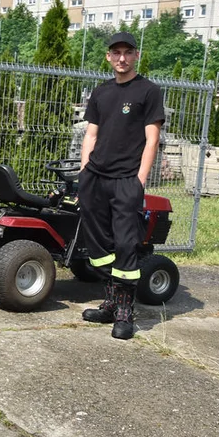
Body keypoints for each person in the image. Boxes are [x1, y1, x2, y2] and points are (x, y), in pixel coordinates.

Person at [78, 32, 165, 340]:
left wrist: (139, 182)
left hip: (126, 181)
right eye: (116, 53)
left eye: (127, 52)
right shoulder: (101, 92)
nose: (122, 58)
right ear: (108, 57)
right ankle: (112, 303)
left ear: (136, 55)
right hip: (95, 180)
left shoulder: (148, 91)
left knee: (126, 245)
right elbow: (91, 135)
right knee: (98, 247)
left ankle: (126, 312)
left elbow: (152, 140)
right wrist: (85, 172)